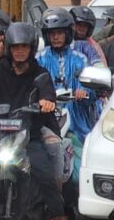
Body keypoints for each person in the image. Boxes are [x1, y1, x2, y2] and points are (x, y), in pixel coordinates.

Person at [0, 22, 73, 220]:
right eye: (15, 47)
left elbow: (48, 93)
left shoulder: (40, 74)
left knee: (46, 178)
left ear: (31, 48)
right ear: (9, 47)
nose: (20, 51)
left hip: (29, 136)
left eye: (24, 47)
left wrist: (46, 102)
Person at [36, 8, 96, 145]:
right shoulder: (39, 59)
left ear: (68, 33)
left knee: (80, 157)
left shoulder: (80, 59)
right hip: (46, 119)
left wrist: (84, 92)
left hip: (76, 121)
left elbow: (90, 88)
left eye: (59, 33)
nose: (55, 37)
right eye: (52, 33)